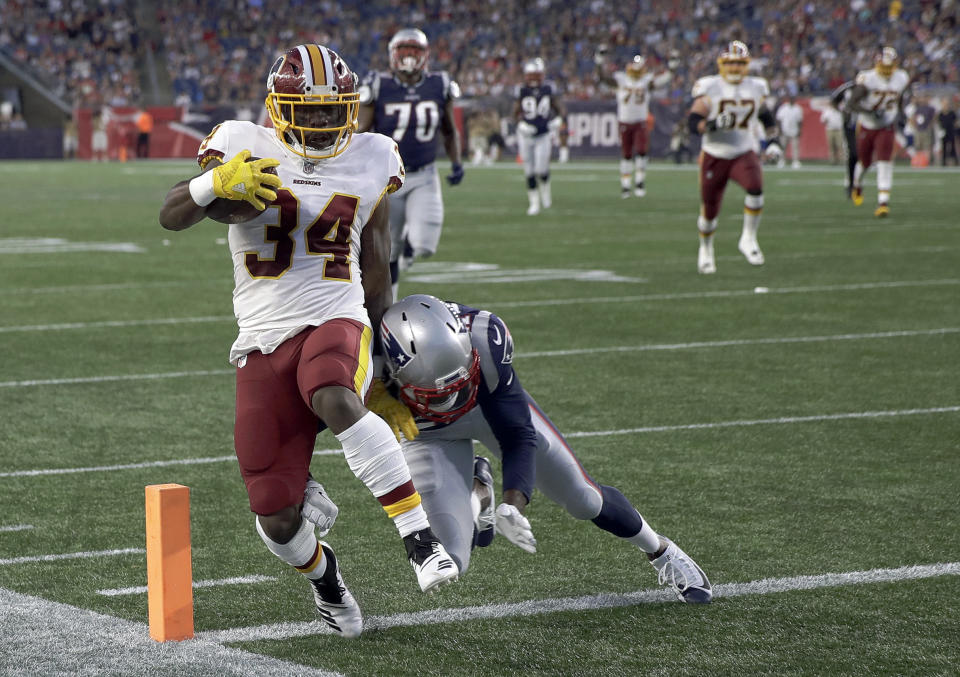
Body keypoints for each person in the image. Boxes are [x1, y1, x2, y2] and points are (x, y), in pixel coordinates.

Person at [158, 44, 458, 639]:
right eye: (309, 110)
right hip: (262, 338)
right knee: (275, 513)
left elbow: (375, 259)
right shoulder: (243, 142)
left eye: (332, 110)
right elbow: (171, 216)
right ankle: (327, 579)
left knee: (330, 390)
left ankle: (420, 541)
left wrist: (386, 364)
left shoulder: (373, 155)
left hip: (336, 313)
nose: (322, 121)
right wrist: (214, 182)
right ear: (280, 106)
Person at [369, 294, 712, 604]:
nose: (450, 399)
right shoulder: (369, 364)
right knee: (447, 560)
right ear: (395, 374)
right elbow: (322, 410)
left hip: (486, 410)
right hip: (426, 433)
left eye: (457, 384)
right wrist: (370, 397)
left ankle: (661, 550)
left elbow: (518, 433)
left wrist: (513, 505)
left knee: (584, 498)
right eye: (439, 394)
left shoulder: (485, 338)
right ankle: (478, 492)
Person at [358, 28, 464, 298]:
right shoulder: (378, 85)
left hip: (424, 174)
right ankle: (389, 300)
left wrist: (456, 162)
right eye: (403, 50)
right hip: (387, 177)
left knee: (424, 246)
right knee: (386, 250)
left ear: (425, 55)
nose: (408, 57)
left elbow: (449, 129)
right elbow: (362, 130)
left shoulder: (439, 84)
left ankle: (408, 246)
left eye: (414, 51)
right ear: (393, 54)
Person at [686, 41, 782, 275]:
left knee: (756, 188)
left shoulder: (756, 87)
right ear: (722, 64)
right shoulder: (710, 87)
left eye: (739, 63)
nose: (735, 68)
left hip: (743, 151)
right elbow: (692, 123)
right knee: (710, 209)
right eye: (731, 63)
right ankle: (706, 250)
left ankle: (748, 238)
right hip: (714, 154)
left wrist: (774, 142)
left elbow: (766, 118)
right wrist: (712, 124)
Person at [595, 50, 671, 198]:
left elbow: (662, 80)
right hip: (625, 121)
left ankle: (640, 182)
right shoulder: (621, 79)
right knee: (626, 154)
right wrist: (599, 63)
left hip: (640, 121)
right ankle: (625, 185)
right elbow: (602, 78)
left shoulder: (646, 81)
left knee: (642, 152)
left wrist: (672, 69)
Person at [847, 47, 911, 217]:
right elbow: (852, 103)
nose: (887, 71)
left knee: (885, 162)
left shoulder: (901, 77)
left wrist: (899, 112)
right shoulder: (868, 78)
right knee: (865, 162)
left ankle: (883, 203)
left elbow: (901, 97)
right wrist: (870, 112)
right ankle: (857, 184)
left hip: (887, 125)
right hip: (867, 125)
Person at [513, 57, 566, 215]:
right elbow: (515, 112)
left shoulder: (548, 89)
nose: (533, 78)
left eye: (536, 75)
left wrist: (558, 119)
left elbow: (559, 108)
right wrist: (520, 124)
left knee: (541, 169)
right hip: (526, 134)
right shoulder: (522, 90)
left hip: (543, 134)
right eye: (531, 75)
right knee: (528, 170)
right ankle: (534, 203)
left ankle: (545, 190)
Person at [829, 80, 859, 197]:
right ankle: (851, 184)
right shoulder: (847, 88)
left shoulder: (872, 86)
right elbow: (834, 99)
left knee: (862, 156)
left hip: (867, 125)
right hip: (851, 125)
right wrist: (843, 112)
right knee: (853, 154)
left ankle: (856, 183)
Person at [775, 94, 804, 168]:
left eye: (793, 99)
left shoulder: (798, 108)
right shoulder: (784, 108)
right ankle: (782, 160)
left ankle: (795, 161)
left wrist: (800, 130)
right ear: (789, 99)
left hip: (794, 130)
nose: (792, 100)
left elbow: (800, 121)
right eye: (791, 99)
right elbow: (779, 119)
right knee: (783, 146)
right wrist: (780, 129)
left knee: (795, 147)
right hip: (785, 130)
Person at [819, 99, 844, 165]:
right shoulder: (827, 111)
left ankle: (842, 160)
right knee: (831, 145)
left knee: (840, 145)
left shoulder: (840, 111)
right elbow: (823, 120)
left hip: (839, 129)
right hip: (830, 129)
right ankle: (833, 160)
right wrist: (826, 121)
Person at [937, 96, 958, 166]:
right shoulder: (940, 113)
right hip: (943, 133)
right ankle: (943, 162)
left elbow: (956, 122)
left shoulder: (952, 113)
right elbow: (938, 122)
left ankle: (955, 162)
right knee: (944, 147)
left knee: (953, 147)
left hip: (951, 132)